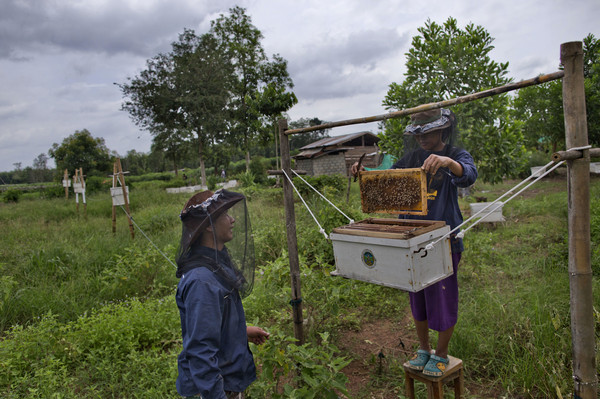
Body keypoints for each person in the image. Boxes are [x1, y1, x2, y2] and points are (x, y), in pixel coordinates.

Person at [351, 108, 477, 377]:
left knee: (442, 297)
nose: (421, 139)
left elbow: (468, 174)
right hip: (409, 239)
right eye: (417, 134)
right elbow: (386, 178)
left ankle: (441, 353)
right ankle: (424, 349)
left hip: (443, 240)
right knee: (416, 295)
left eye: (427, 133)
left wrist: (446, 162)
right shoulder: (411, 158)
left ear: (441, 130)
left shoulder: (455, 154)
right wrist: (365, 172)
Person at [175, 189, 269, 398]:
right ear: (208, 225)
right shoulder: (201, 281)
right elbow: (201, 352)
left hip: (227, 382)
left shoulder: (214, 262)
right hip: (215, 388)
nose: (233, 219)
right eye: (225, 215)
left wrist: (241, 331)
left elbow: (210, 323)